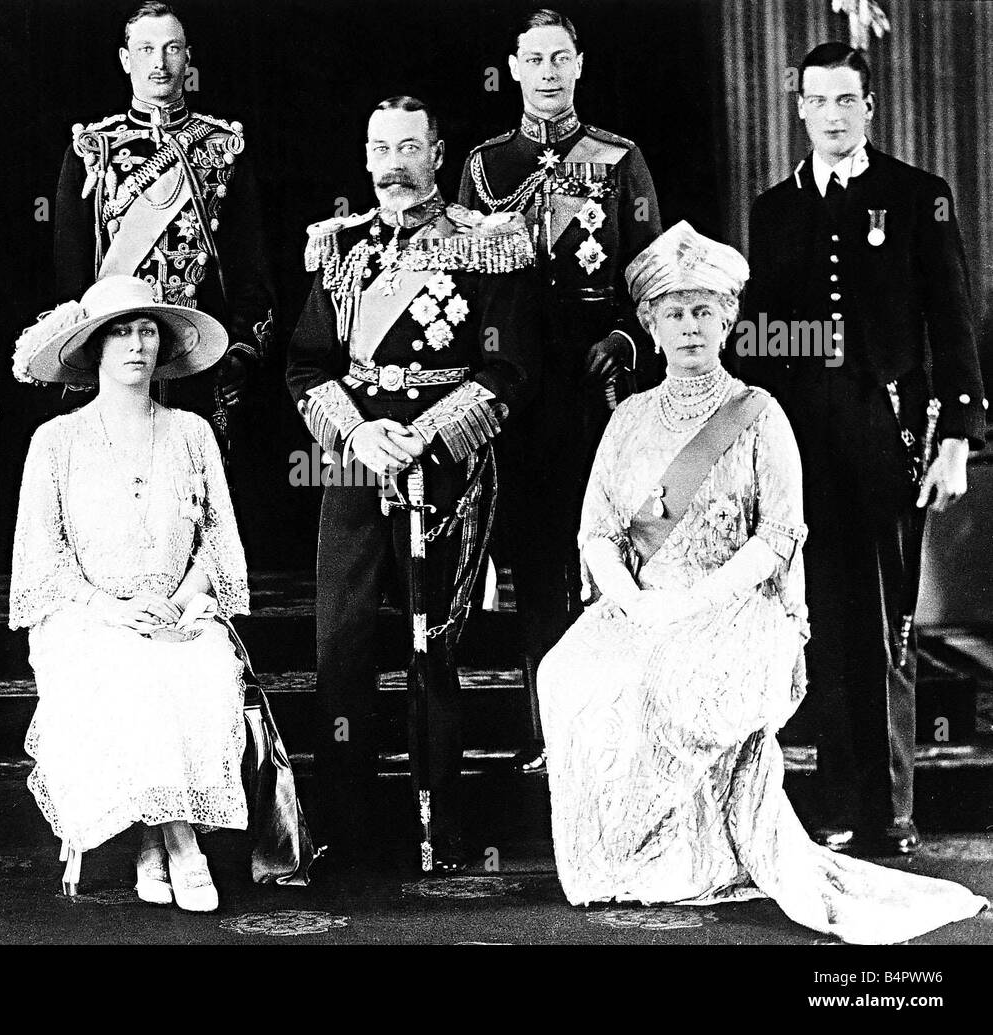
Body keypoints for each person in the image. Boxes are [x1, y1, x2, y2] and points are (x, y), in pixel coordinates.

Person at [538, 221, 988, 943]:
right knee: (569, 670)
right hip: (644, 598)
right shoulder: (627, 419)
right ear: (650, 326)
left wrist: (695, 602)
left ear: (727, 321)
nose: (689, 327)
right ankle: (617, 860)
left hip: (740, 603)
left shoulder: (760, 415)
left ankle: (691, 859)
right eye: (674, 313)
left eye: (703, 312)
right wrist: (629, 597)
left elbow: (780, 535)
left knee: (664, 676)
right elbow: (596, 531)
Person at [739, 43, 988, 855]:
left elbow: (951, 326)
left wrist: (956, 437)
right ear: (800, 107)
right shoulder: (773, 210)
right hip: (803, 442)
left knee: (889, 624)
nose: (834, 114)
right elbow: (764, 335)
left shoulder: (919, 197)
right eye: (819, 100)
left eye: (848, 99)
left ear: (870, 106)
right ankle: (838, 804)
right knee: (825, 620)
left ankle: (895, 812)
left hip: (890, 437)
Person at [287, 96, 539, 872]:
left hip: (447, 469)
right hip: (354, 466)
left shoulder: (486, 245)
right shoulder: (339, 249)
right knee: (342, 645)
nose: (393, 164)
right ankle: (347, 828)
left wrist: (425, 434)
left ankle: (446, 826)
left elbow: (508, 367)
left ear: (437, 153)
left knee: (435, 646)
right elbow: (305, 365)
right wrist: (360, 432)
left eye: (409, 147)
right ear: (365, 159)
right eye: (379, 149)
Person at [458, 8, 662, 769]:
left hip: (594, 385)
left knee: (606, 555)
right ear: (512, 67)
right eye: (533, 59)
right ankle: (546, 731)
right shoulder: (485, 169)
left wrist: (626, 341)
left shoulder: (619, 160)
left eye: (560, 58)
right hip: (516, 387)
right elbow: (467, 279)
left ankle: (612, 728)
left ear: (580, 64)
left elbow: (649, 276)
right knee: (534, 561)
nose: (547, 73)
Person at [10, 274, 249, 912]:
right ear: (93, 348)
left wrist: (184, 602)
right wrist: (112, 610)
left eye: (148, 331)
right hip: (87, 619)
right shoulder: (55, 441)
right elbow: (44, 559)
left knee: (198, 667)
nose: (136, 345)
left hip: (180, 612)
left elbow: (217, 542)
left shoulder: (192, 432)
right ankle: (181, 844)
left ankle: (150, 842)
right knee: (126, 671)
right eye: (121, 331)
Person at [53, 1, 274, 452]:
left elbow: (249, 262)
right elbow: (70, 267)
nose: (159, 62)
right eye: (147, 48)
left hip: (198, 356)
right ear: (125, 58)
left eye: (172, 48)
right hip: (115, 355)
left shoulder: (225, 146)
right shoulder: (92, 149)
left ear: (188, 58)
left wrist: (242, 351)